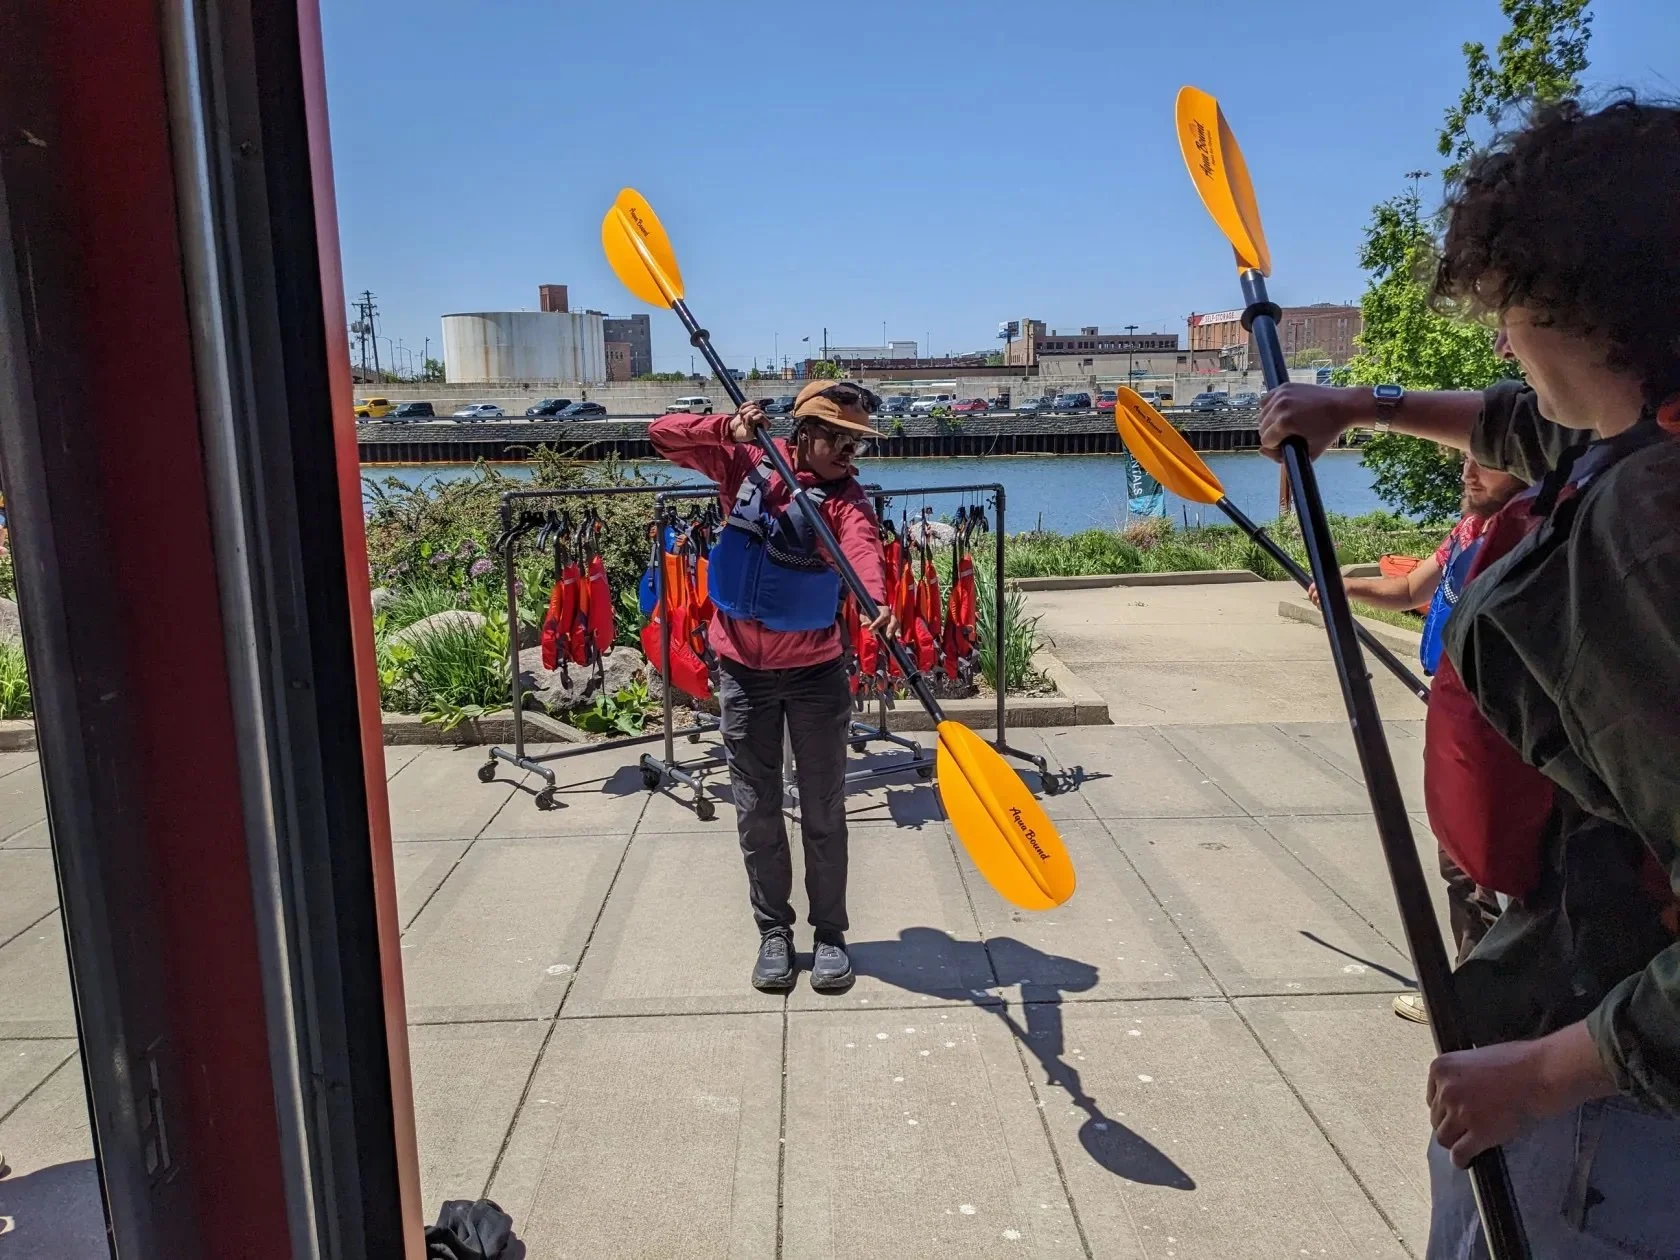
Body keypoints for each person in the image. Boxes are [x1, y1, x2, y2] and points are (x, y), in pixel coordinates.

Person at [1260, 98, 1680, 1259]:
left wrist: (1544, 1076)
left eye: (1506, 308)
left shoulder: (1648, 523)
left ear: (1579, 301)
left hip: (1610, 1102)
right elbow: (1526, 424)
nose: (1499, 339)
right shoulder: (1640, 436)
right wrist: (1363, 404)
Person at [649, 381, 894, 994]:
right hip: (743, 672)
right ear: (803, 432)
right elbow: (660, 434)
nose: (848, 451)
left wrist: (879, 602)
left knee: (823, 808)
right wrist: (724, 430)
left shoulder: (846, 502)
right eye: (837, 438)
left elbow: (863, 551)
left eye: (856, 442)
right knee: (757, 810)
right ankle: (773, 931)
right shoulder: (747, 463)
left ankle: (831, 933)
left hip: (815, 675)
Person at [1307, 454, 1525, 1023]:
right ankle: (1471, 991)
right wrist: (1344, 587)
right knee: (1458, 862)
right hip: (1460, 727)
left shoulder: (1528, 537)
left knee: (1488, 868)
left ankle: (1490, 1005)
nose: (1467, 474)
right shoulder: (1467, 533)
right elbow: (1408, 588)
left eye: (1487, 465)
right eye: (1467, 461)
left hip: (1500, 733)